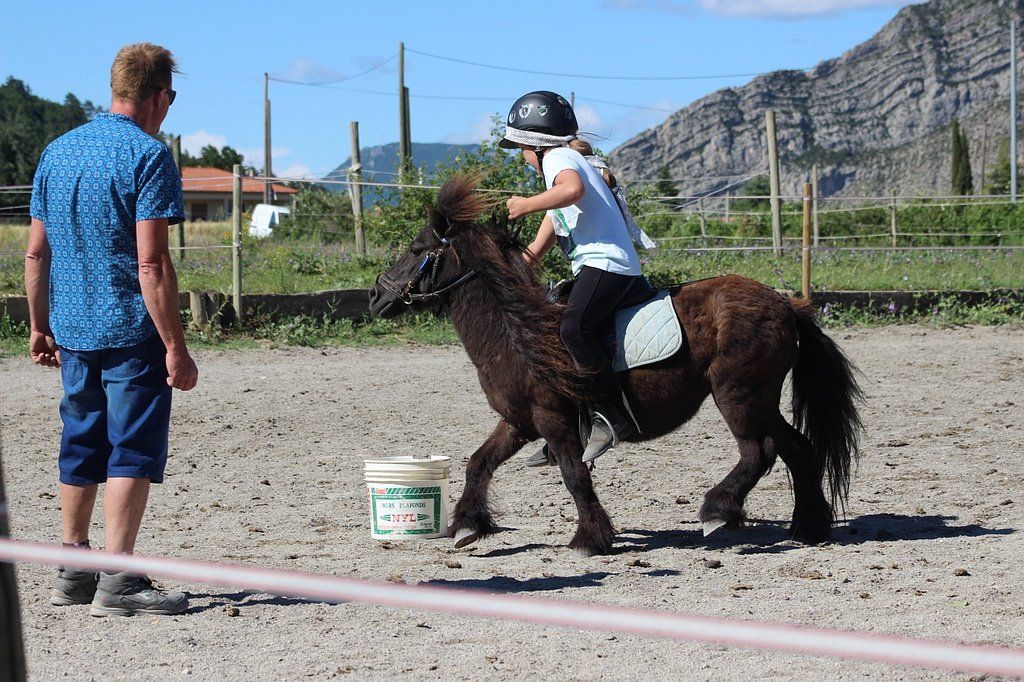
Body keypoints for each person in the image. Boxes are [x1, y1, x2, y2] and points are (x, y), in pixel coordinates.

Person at [26, 42, 198, 617]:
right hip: (130, 329)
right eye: (170, 98)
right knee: (131, 448)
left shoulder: (58, 152)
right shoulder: (149, 157)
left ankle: (73, 568)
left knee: (80, 443)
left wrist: (39, 325)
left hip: (72, 330)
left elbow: (34, 254)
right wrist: (175, 344)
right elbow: (151, 264)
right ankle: (119, 579)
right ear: (159, 96)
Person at [501, 91, 653, 466]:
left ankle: (613, 417)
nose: (523, 158)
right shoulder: (563, 177)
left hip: (608, 266)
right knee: (553, 331)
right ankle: (569, 429)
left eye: (521, 148)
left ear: (536, 145)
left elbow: (572, 190)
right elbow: (537, 248)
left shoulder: (559, 159)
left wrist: (524, 204)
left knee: (573, 330)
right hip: (598, 267)